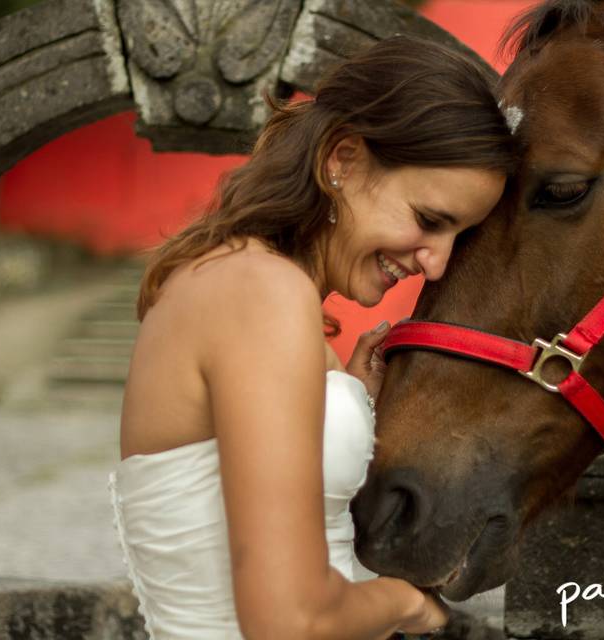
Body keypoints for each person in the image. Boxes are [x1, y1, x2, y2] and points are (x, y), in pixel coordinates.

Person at [109, 35, 516, 639]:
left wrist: (342, 400)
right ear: (341, 160)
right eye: (430, 221)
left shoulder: (238, 281)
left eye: (459, 237)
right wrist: (411, 606)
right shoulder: (261, 292)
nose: (436, 263)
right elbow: (288, 621)